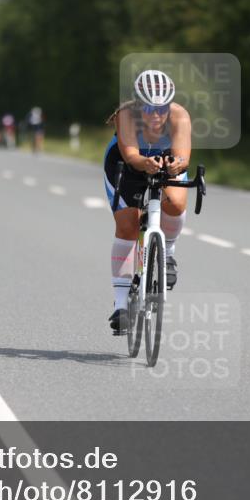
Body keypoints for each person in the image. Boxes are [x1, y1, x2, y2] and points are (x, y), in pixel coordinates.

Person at [102, 69, 190, 333]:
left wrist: (175, 166)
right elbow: (130, 155)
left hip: (164, 160)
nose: (156, 114)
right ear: (139, 104)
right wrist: (144, 163)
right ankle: (120, 304)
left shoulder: (179, 116)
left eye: (161, 107)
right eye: (149, 108)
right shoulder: (126, 115)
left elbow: (183, 156)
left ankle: (169, 252)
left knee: (175, 202)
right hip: (126, 164)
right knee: (128, 224)